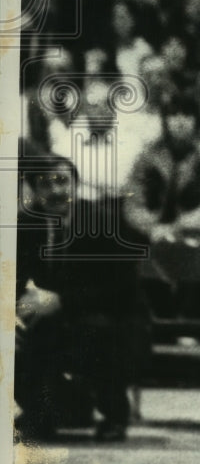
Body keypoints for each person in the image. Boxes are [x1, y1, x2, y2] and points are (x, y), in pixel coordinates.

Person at [15, 155, 146, 442]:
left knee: (98, 332)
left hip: (105, 313)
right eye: (45, 184)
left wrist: (62, 301)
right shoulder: (23, 225)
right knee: (13, 336)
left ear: (77, 184)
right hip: (45, 317)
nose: (56, 191)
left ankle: (113, 415)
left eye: (63, 181)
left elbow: (123, 290)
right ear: (34, 191)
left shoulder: (104, 223)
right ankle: (41, 413)